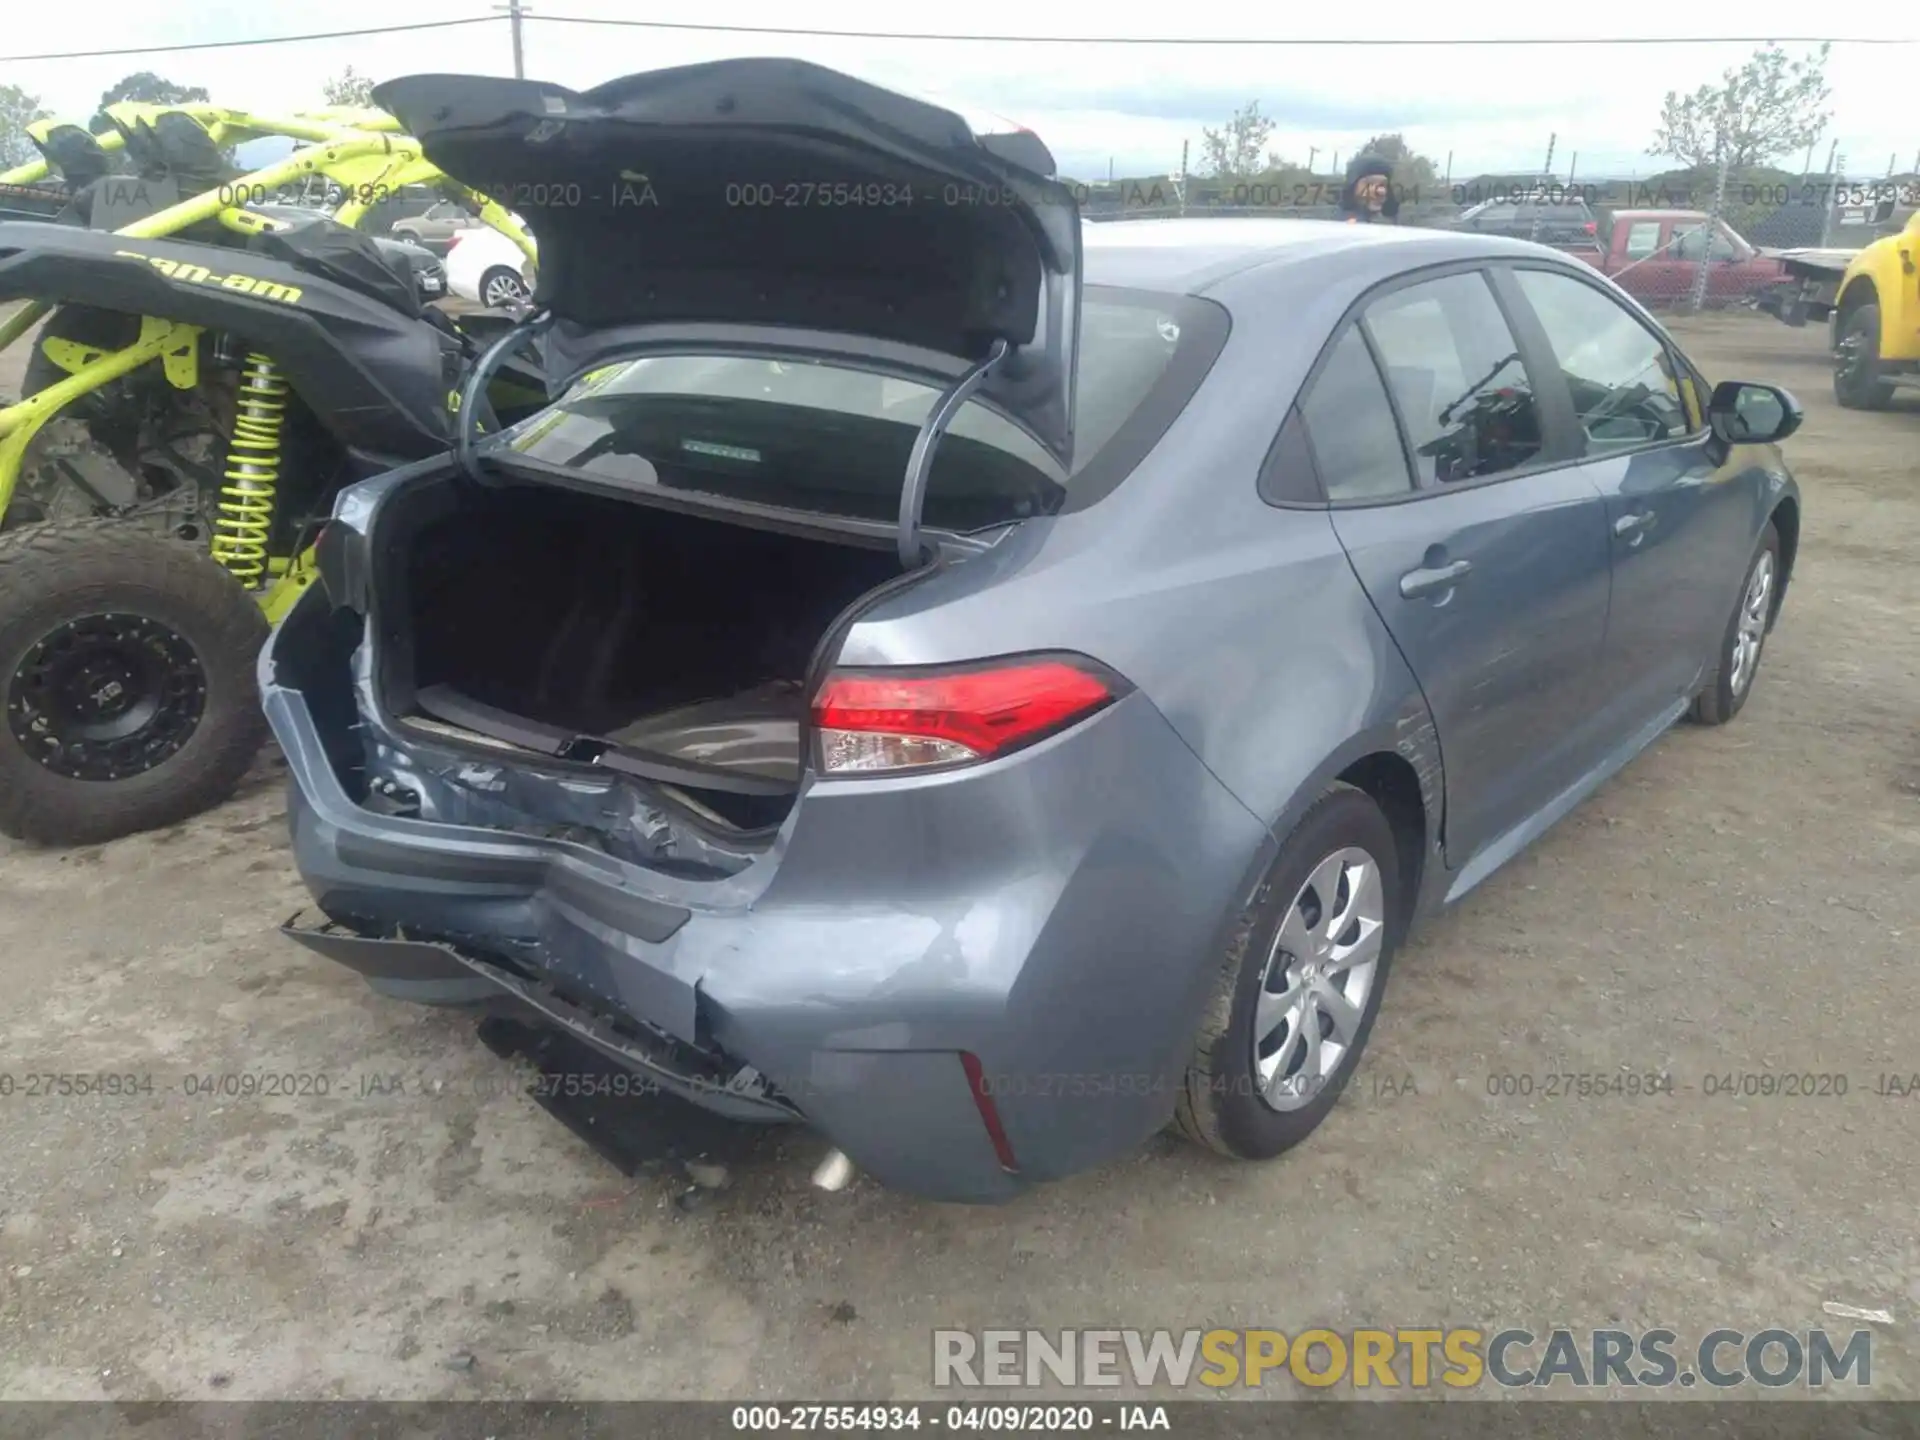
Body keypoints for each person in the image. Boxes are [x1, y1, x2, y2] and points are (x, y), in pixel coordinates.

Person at [1339, 154, 1400, 224]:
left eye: (1383, 185)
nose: (1381, 191)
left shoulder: (1399, 226)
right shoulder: (1331, 223)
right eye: (1370, 184)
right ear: (1352, 188)